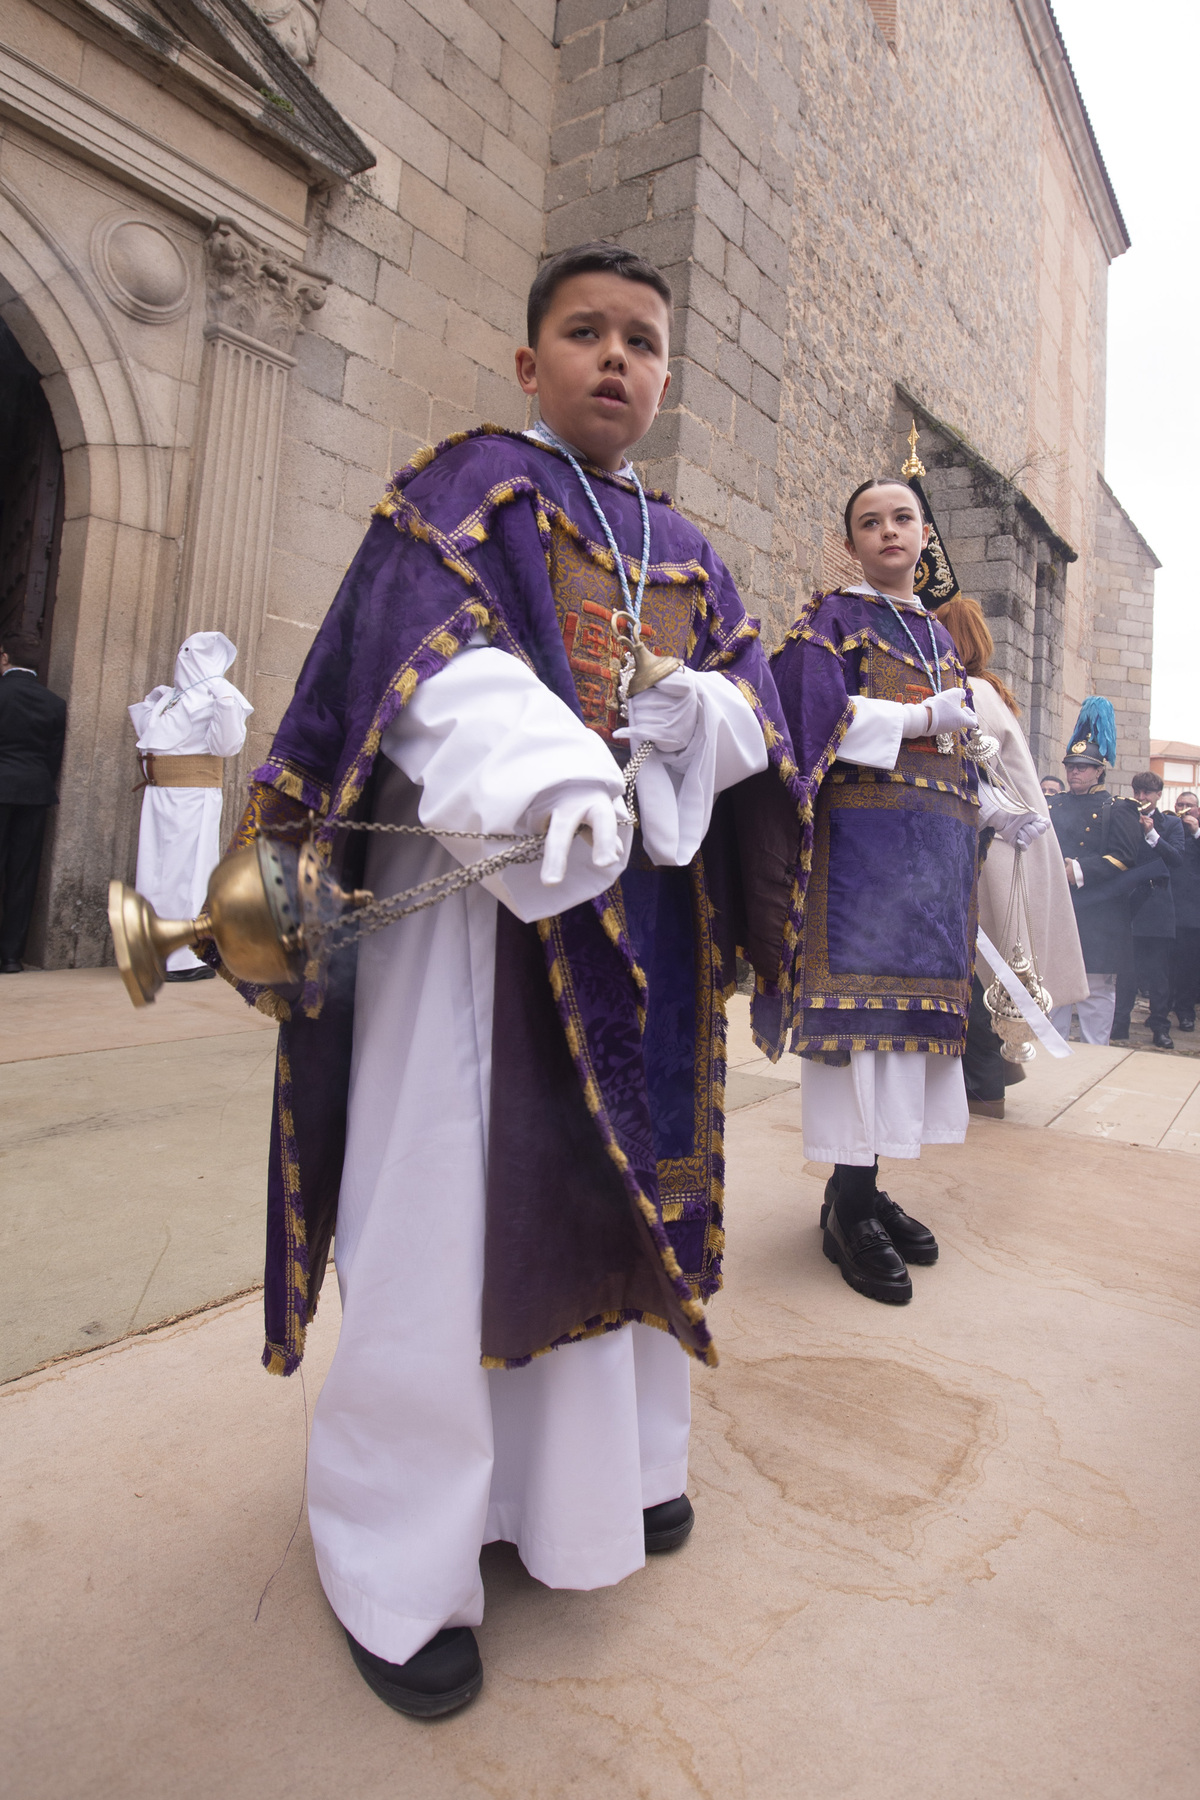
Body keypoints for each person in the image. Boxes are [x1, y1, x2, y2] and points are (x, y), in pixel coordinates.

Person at [214, 242, 798, 1716]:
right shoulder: (469, 488)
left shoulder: (691, 548)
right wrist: (548, 774)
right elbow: (427, 659)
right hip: (487, 922)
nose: (616, 357)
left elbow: (747, 698)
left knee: (628, 1193)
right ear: (530, 363)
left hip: (642, 934)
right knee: (455, 1209)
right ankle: (400, 1559)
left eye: (642, 341)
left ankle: (602, 1485)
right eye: (584, 332)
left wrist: (695, 723)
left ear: (662, 380)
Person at [756, 480, 1047, 1305]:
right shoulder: (833, 621)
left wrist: (994, 807)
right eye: (869, 522)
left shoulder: (936, 637)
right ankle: (848, 1204)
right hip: (861, 869)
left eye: (902, 518)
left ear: (926, 536)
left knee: (906, 1043)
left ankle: (864, 1187)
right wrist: (919, 722)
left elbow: (956, 751)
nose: (888, 531)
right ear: (852, 543)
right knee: (865, 1035)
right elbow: (803, 717)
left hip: (932, 874)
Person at [933, 597, 1087, 1119]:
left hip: (995, 852)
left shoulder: (969, 693)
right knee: (986, 972)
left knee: (978, 974)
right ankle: (996, 1071)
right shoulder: (990, 690)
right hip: (1008, 847)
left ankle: (984, 1093)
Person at [129, 633, 252, 981]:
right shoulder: (171, 697)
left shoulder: (218, 696)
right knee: (153, 869)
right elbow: (153, 740)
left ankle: (184, 955)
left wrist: (225, 699)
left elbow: (226, 745)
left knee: (187, 873)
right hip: (158, 794)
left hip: (191, 795)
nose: (187, 658)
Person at [0, 633, 66, 972]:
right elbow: (52, 759)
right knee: (23, 874)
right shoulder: (54, 703)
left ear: (5, 658)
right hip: (35, 792)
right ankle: (11, 957)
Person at [1111, 771, 1184, 1049]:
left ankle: (1159, 1026)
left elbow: (1176, 858)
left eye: (1147, 793)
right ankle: (1119, 1026)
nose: (1141, 798)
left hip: (1157, 902)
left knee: (1158, 974)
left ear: (1157, 795)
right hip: (1129, 901)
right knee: (1126, 970)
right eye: (1138, 792)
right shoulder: (1124, 816)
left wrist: (1151, 834)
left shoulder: (1172, 823)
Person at [1170, 792, 1200, 1032]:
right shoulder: (1170, 826)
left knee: (1189, 966)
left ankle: (1185, 1010)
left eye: (1189, 805)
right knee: (1167, 965)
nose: (1184, 809)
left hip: (1193, 911)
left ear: (1197, 810)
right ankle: (1162, 1009)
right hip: (1171, 907)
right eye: (1180, 804)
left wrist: (1196, 832)